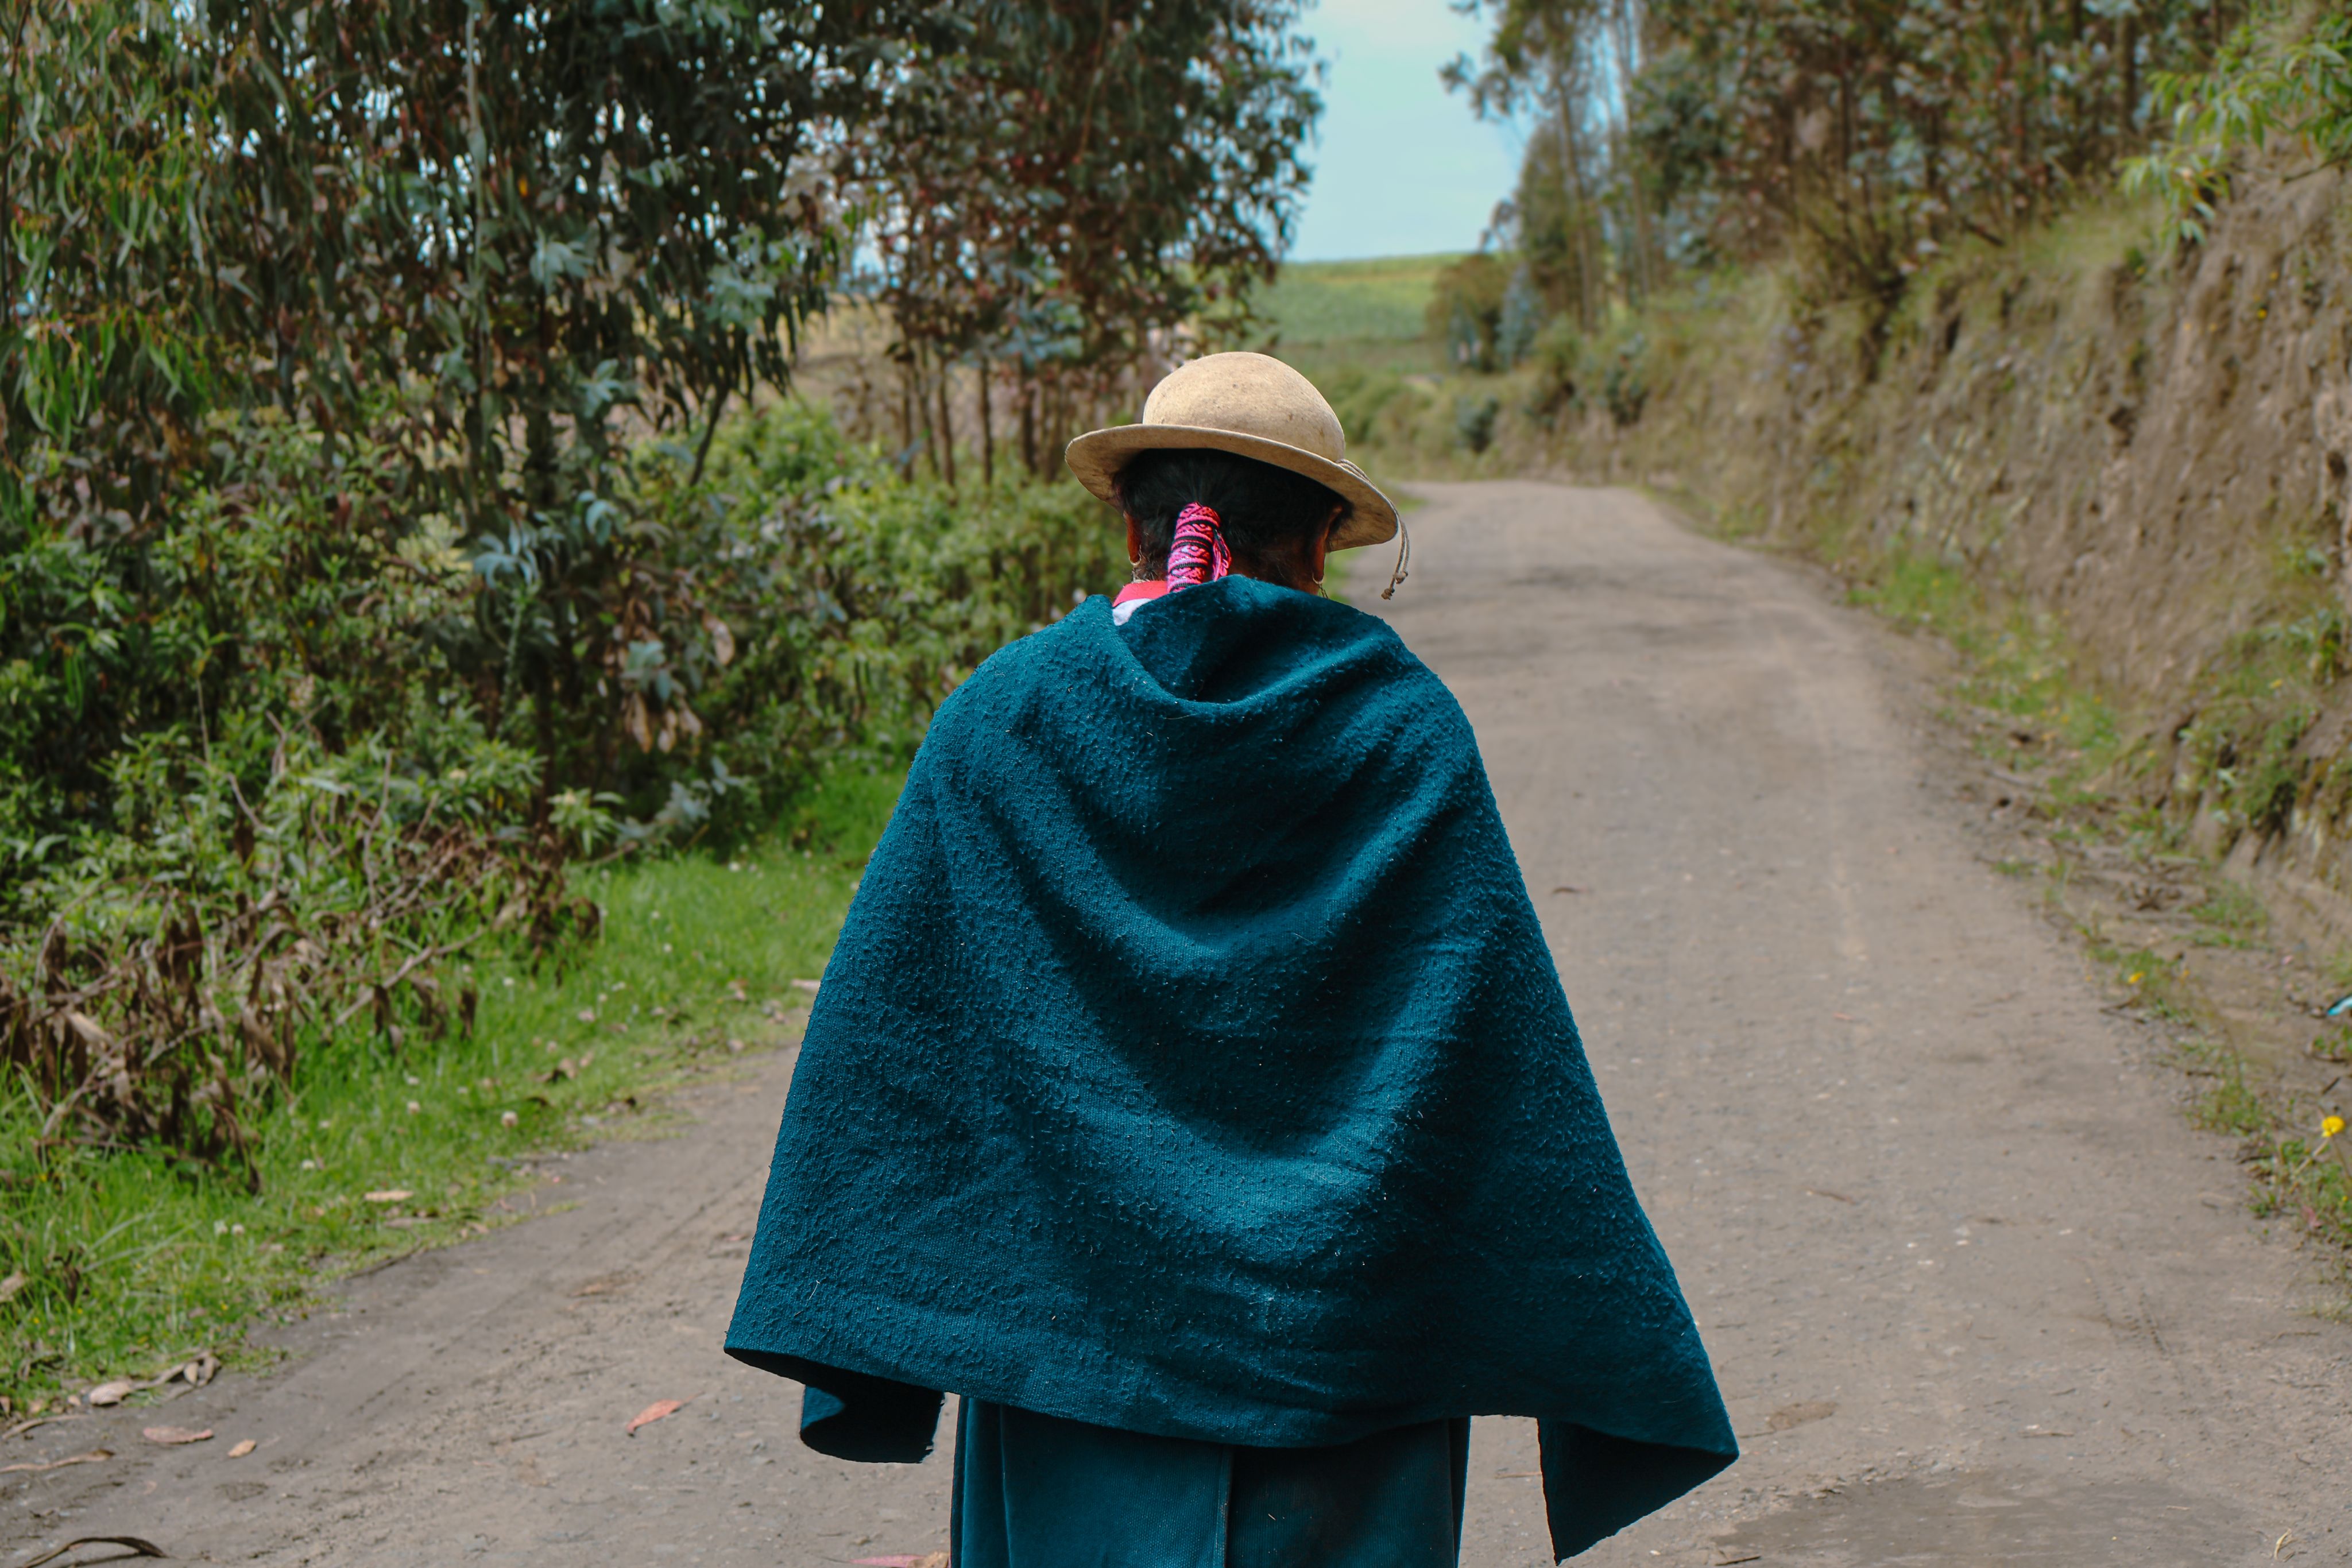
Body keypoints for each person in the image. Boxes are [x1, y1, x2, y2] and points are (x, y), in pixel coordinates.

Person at [727, 351, 1735, 1565]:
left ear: (1136, 522)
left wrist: (876, 1332)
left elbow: (896, 1048)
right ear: (1318, 546)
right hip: (1347, 1361)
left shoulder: (999, 718)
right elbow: (1490, 1052)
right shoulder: (1401, 725)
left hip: (1074, 1363)